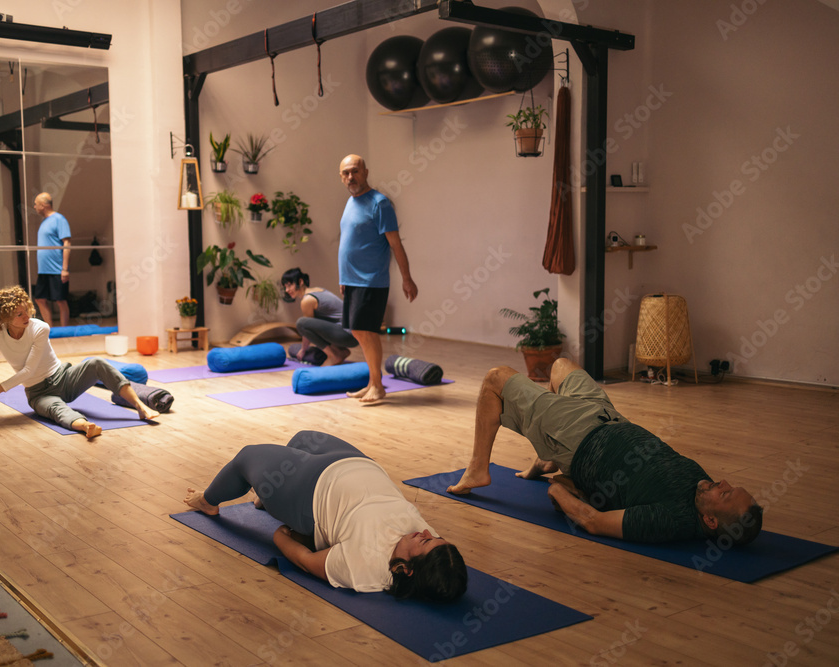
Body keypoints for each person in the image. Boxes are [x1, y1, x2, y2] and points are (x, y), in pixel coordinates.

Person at [447, 359, 763, 545]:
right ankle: (547, 449)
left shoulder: (670, 519)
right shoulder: (703, 491)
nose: (721, 483)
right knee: (560, 366)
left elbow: (594, 521)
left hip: (579, 436)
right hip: (607, 416)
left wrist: (559, 491)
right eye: (729, 487)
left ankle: (478, 469)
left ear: (708, 521)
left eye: (725, 495)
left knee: (495, 378)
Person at [184, 430, 467, 602]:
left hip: (309, 491)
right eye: (436, 537)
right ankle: (267, 496)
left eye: (427, 543)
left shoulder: (364, 567)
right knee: (302, 439)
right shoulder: (425, 542)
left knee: (247, 456)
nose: (427, 533)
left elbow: (305, 561)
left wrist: (280, 536)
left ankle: (208, 501)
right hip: (354, 462)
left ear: (406, 570)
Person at [0, 286, 160, 439]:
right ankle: (86, 426)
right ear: (4, 317)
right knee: (55, 409)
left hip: (63, 378)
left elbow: (29, 369)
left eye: (25, 310)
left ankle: (140, 407)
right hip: (39, 393)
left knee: (97, 363)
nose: (26, 317)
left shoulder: (39, 328)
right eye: (18, 314)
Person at [337, 154, 418, 403]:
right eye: (346, 173)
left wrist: (407, 278)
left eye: (355, 171)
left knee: (366, 331)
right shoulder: (351, 202)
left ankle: (378, 386)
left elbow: (395, 245)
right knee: (359, 332)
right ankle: (372, 382)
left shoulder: (379, 204)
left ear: (366, 172)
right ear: (341, 177)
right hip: (351, 281)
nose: (351, 177)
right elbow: (349, 242)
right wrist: (343, 278)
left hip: (371, 280)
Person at [281, 267, 359, 366]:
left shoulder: (307, 300)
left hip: (348, 335)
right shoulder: (317, 290)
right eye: (285, 287)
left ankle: (333, 355)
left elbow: (305, 328)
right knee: (308, 322)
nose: (287, 290)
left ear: (300, 282)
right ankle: (340, 351)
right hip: (351, 335)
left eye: (289, 285)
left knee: (301, 323)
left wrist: (303, 350)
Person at [33, 192, 71, 327]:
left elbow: (67, 243)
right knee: (39, 298)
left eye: (36, 204)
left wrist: (64, 269)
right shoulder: (44, 222)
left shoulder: (59, 219)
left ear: (43, 205)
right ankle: (49, 329)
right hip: (44, 270)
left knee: (60, 300)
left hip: (57, 268)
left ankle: (64, 330)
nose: (34, 207)